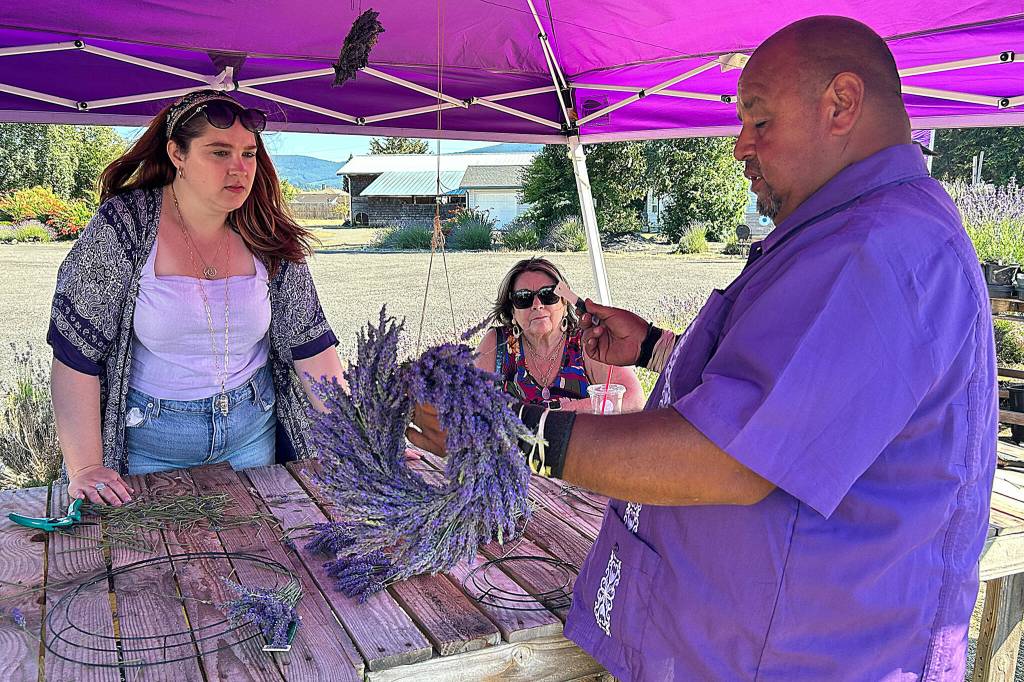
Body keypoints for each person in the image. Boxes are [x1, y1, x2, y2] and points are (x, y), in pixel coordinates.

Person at [411, 16, 996, 680]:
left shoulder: (877, 250)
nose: (740, 145)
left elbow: (727, 458)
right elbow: (786, 391)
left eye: (760, 122)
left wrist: (507, 434)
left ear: (841, 104)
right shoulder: (851, 233)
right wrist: (657, 347)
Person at [48, 89, 343, 508]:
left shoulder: (265, 231)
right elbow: (75, 353)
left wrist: (360, 442)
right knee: (156, 565)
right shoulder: (125, 226)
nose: (239, 169)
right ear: (177, 154)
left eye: (248, 154)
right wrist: (85, 467)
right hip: (150, 444)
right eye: (219, 153)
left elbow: (312, 348)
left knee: (256, 556)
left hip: (252, 435)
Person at [474, 257, 643, 412]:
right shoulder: (499, 343)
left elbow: (633, 400)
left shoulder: (587, 342)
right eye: (523, 298)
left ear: (564, 302)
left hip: (582, 444)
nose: (537, 305)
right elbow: (470, 406)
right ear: (512, 310)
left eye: (548, 295)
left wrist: (567, 411)